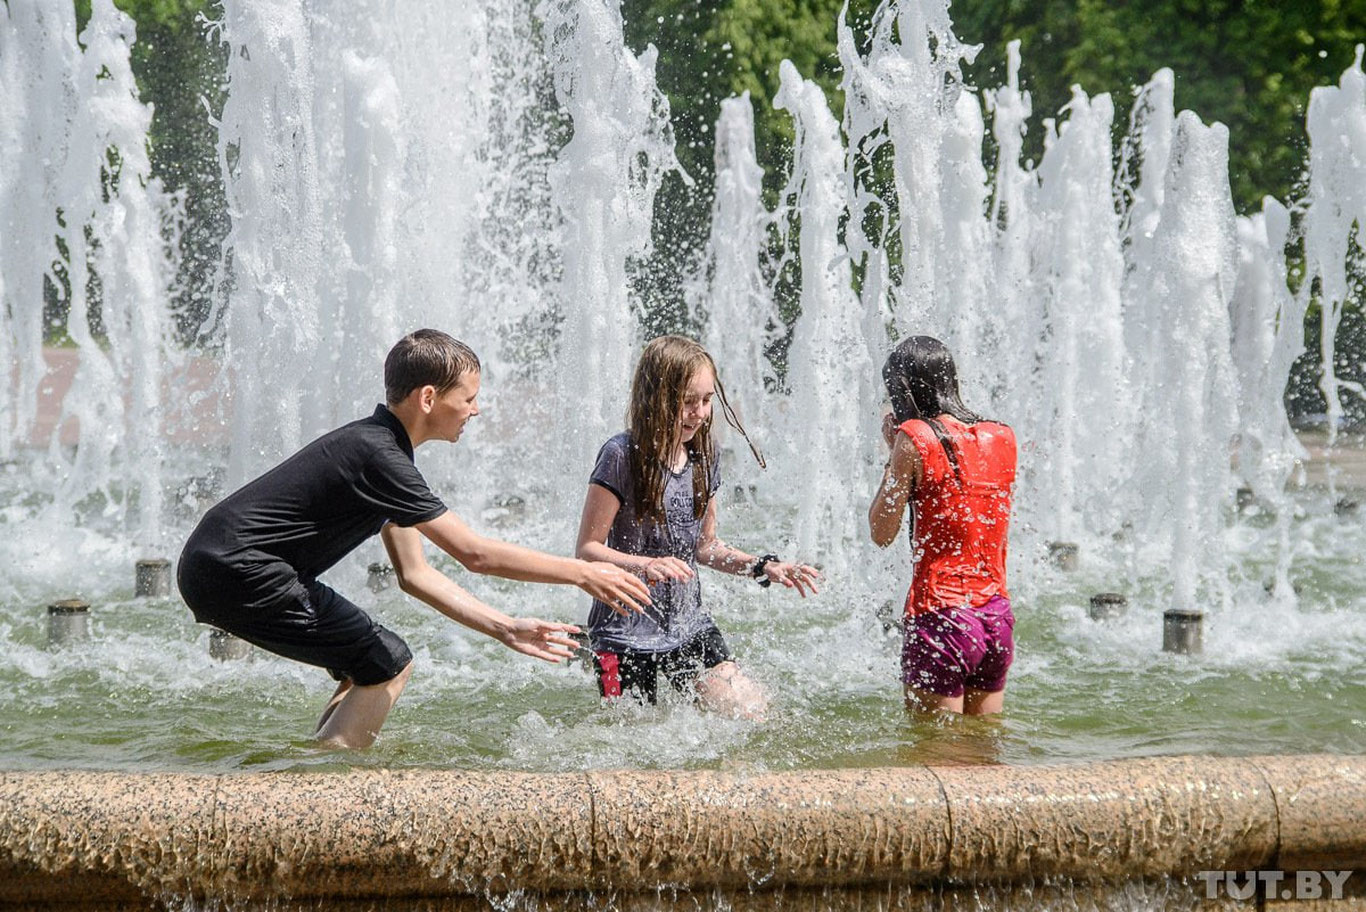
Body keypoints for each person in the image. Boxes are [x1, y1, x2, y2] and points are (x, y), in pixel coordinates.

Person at [178, 329, 652, 749]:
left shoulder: (381, 454)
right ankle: (321, 794)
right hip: (238, 568)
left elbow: (415, 575)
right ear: (428, 398)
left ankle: (315, 769)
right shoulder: (378, 456)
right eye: (468, 398)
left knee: (366, 667)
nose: (476, 409)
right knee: (387, 661)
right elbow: (475, 554)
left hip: (220, 564)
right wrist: (583, 572)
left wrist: (505, 626)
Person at [575, 335, 819, 720]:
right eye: (688, 401)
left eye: (706, 400)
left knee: (752, 714)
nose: (700, 413)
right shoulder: (621, 455)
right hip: (623, 636)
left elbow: (705, 547)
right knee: (633, 745)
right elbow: (587, 550)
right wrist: (645, 565)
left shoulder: (705, 456)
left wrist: (763, 566)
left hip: (688, 626)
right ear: (656, 396)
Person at [868, 335, 1017, 716]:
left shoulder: (915, 438)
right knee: (984, 748)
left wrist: (894, 456)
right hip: (996, 617)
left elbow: (881, 532)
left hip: (942, 617)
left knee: (935, 751)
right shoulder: (1001, 437)